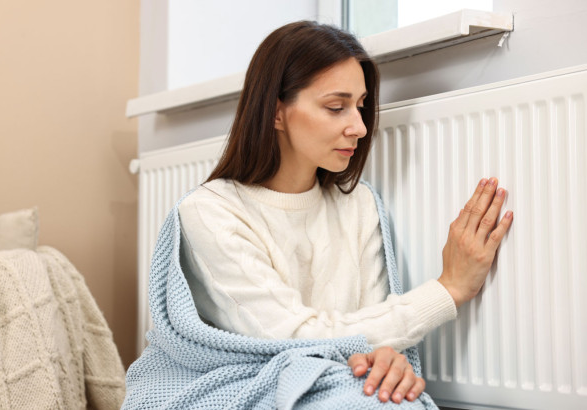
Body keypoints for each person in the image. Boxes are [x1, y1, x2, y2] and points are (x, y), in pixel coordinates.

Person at [176, 21, 513, 405]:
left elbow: (370, 332)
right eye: (336, 107)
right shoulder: (210, 212)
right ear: (276, 113)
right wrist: (448, 290)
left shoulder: (358, 204)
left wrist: (385, 359)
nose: (359, 127)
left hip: (339, 378)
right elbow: (291, 339)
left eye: (361, 106)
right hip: (247, 383)